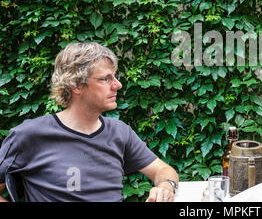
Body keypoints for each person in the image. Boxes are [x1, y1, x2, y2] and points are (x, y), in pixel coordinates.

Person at [0, 42, 178, 202]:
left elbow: (163, 170)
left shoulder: (119, 132)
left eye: (114, 77)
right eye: (105, 79)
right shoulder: (29, 135)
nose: (117, 85)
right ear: (76, 85)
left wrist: (165, 186)